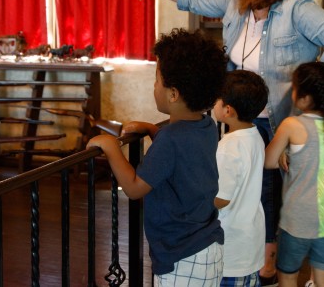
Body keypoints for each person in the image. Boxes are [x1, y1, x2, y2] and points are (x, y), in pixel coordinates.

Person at [121, 0, 324, 285]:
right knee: (247, 184)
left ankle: (269, 257)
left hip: (279, 117)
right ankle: (253, 254)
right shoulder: (236, 4)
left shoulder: (296, 9)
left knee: (272, 189)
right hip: (243, 113)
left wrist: (310, 82)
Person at [88, 28, 228, 287]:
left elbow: (133, 188)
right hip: (207, 245)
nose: (154, 86)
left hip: (181, 257)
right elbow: (182, 155)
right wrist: (154, 131)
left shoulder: (171, 139)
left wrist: (111, 147)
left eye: (157, 79)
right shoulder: (206, 126)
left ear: (173, 94)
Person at [264, 62, 324, 287]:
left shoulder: (292, 124)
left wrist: (282, 150)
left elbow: (269, 161)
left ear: (305, 97)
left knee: (288, 276)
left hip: (298, 219)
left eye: (293, 88)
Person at [213, 70, 268, 287]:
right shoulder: (254, 135)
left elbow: (221, 199)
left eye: (217, 99)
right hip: (250, 240)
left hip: (232, 247)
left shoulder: (228, 147)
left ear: (228, 110)